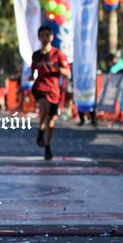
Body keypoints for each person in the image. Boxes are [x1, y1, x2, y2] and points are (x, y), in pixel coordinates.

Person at [29, 25, 70, 160]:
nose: (45, 38)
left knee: (51, 120)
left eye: (47, 35)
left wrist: (58, 68)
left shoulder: (58, 55)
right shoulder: (36, 55)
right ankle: (40, 129)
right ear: (39, 37)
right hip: (40, 87)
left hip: (54, 90)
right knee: (44, 107)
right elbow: (33, 69)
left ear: (51, 37)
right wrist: (31, 76)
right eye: (42, 35)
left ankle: (47, 145)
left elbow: (67, 72)